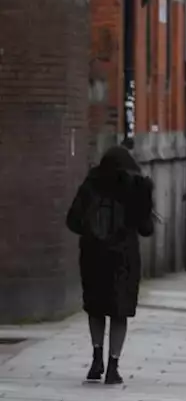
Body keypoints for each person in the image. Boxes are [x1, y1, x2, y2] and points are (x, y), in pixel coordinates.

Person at [65, 145, 156, 385]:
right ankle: (113, 367)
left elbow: (72, 221)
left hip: (93, 256)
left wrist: (91, 232)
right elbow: (146, 229)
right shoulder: (135, 187)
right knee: (119, 311)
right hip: (123, 258)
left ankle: (96, 359)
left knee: (95, 308)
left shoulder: (91, 184)